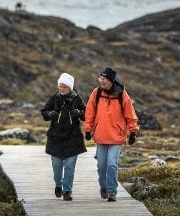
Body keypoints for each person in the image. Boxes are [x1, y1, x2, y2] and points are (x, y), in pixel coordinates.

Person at [83, 67, 139, 202]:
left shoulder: (121, 94)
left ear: (111, 80)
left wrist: (133, 132)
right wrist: (88, 130)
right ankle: (103, 186)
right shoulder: (96, 93)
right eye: (100, 78)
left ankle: (112, 192)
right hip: (101, 135)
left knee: (112, 164)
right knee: (101, 166)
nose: (101, 81)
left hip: (116, 137)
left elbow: (130, 114)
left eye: (104, 79)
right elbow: (90, 113)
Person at [40, 72, 87, 201]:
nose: (62, 88)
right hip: (55, 138)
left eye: (64, 86)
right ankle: (58, 184)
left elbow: (87, 114)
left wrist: (79, 112)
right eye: (60, 86)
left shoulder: (77, 99)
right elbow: (44, 112)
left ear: (70, 87)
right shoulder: (54, 98)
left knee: (69, 167)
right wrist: (50, 114)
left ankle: (67, 191)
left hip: (73, 138)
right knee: (57, 168)